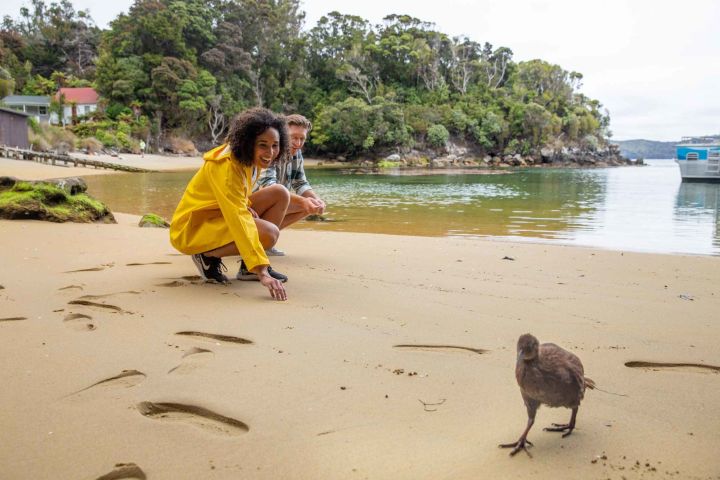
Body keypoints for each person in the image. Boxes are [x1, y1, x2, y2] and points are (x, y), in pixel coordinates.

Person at [169, 107, 291, 301]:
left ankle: (246, 268)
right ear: (248, 142)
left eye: (275, 145)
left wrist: (245, 207)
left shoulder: (249, 160)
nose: (270, 152)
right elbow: (238, 217)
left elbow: (235, 200)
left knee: (280, 193)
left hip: (215, 216)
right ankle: (207, 256)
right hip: (191, 229)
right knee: (269, 234)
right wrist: (262, 270)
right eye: (263, 145)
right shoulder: (227, 166)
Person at [255, 114, 326, 256]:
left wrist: (316, 201)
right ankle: (261, 242)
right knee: (286, 195)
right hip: (252, 205)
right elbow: (269, 186)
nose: (298, 143)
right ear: (282, 134)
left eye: (302, 138)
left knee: (309, 207)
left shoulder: (297, 153)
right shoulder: (270, 151)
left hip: (274, 202)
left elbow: (300, 182)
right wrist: (304, 201)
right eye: (294, 137)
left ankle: (264, 241)